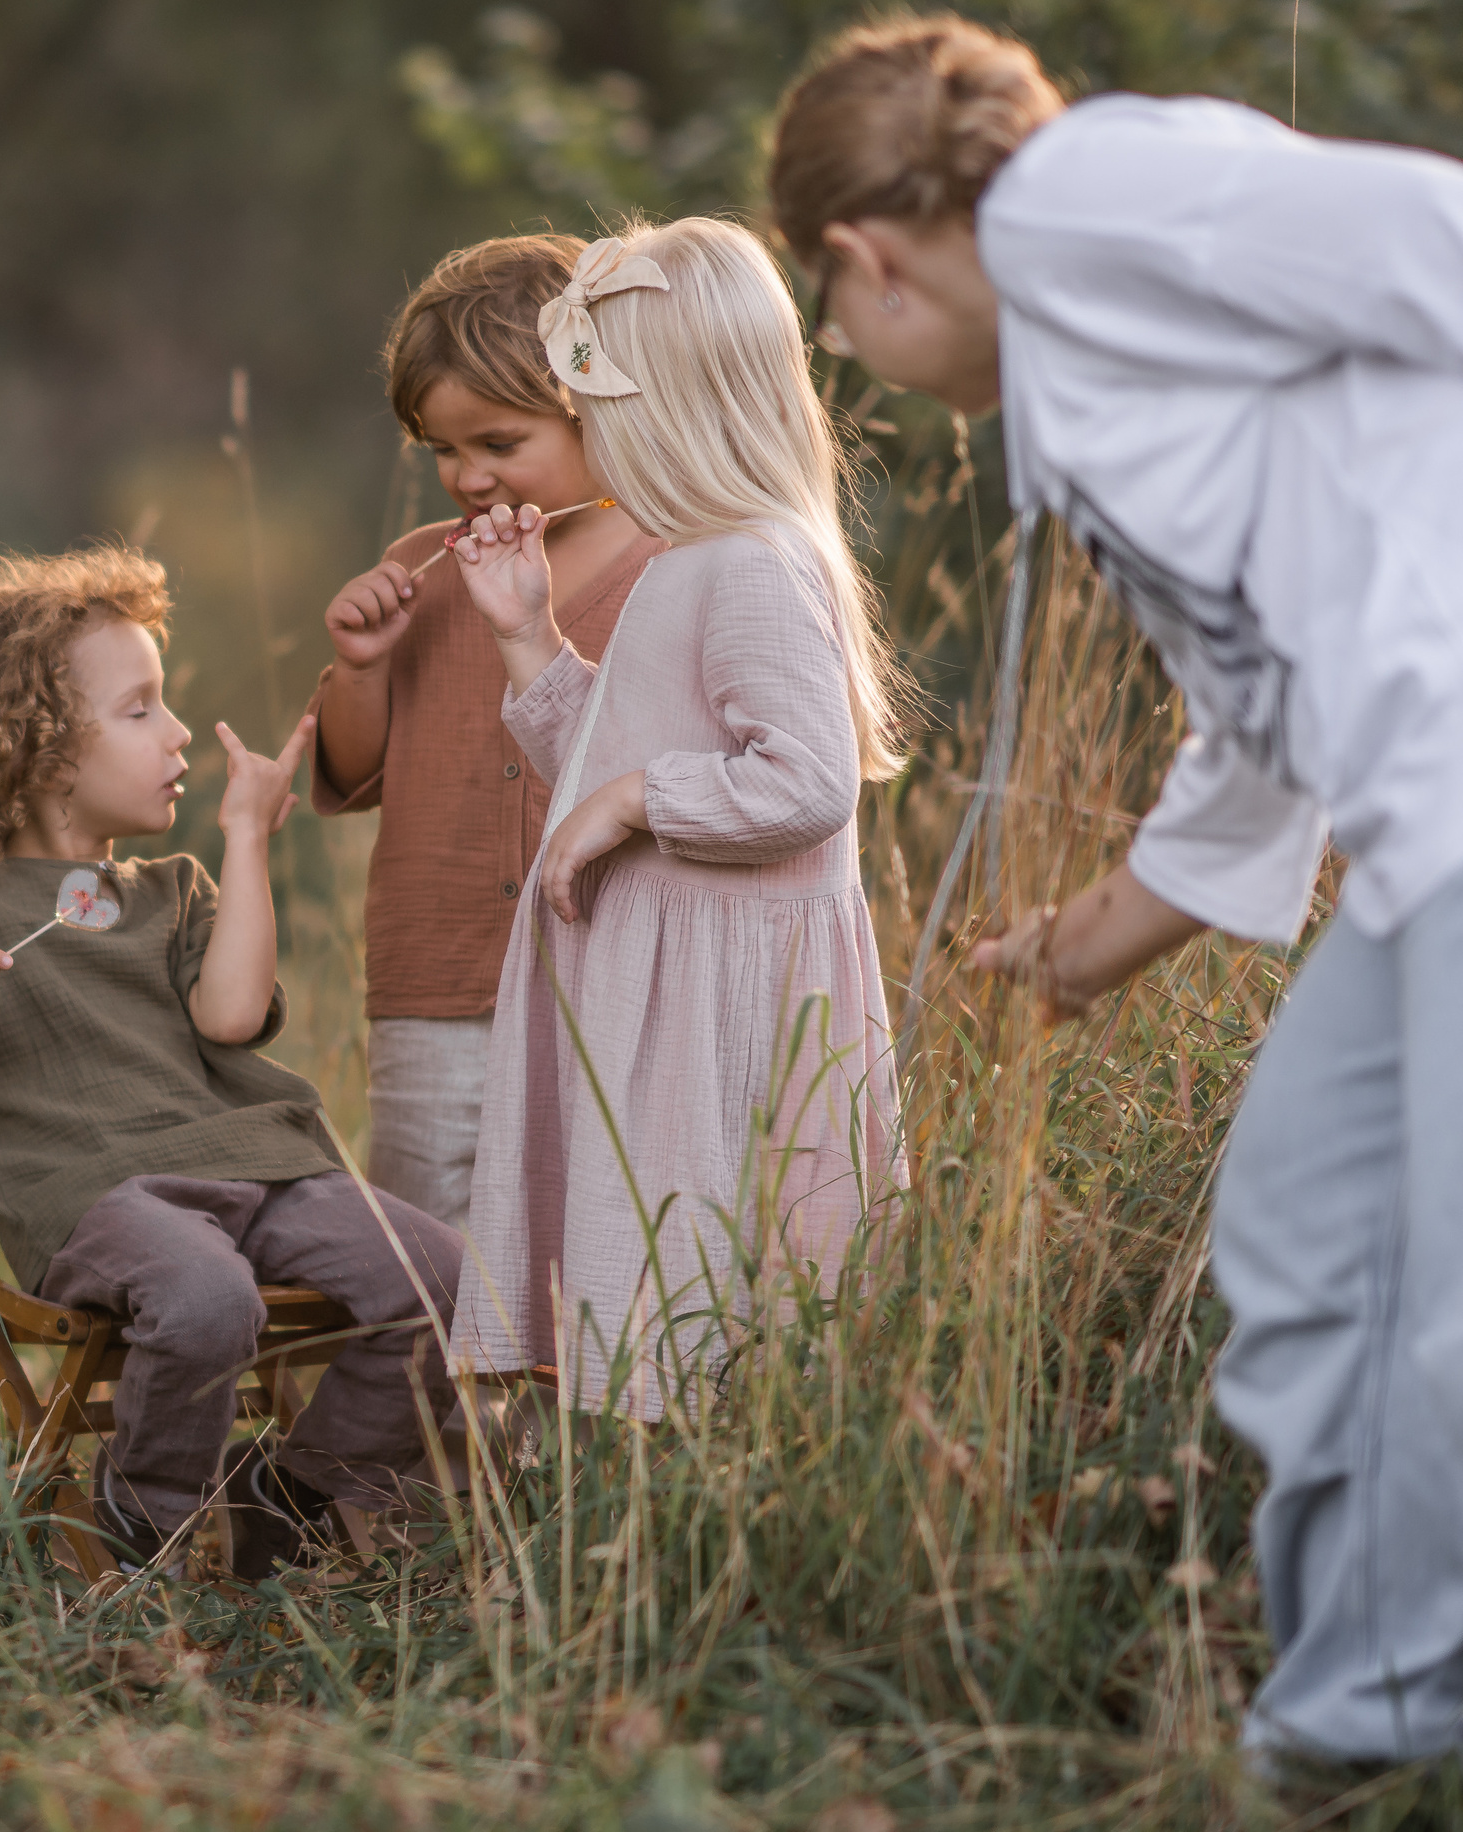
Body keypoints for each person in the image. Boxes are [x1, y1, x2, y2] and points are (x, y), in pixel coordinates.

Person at [768, 12, 1463, 1767]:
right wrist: (1084, 943)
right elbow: (1252, 719)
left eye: (835, 321)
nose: (854, 355)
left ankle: (1352, 1723)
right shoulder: (1079, 381)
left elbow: (1440, 246)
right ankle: (1353, 1726)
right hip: (1412, 828)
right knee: (1304, 1234)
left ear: (862, 256)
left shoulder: (1094, 198)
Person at [0, 547, 464, 1580]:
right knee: (206, 1294)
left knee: (436, 1274)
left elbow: (230, 1017)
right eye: (141, 710)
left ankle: (292, 1491)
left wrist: (244, 840)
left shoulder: (170, 889)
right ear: (37, 748)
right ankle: (149, 1521)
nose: (178, 732)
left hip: (257, 1168)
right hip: (100, 1196)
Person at [442, 219, 910, 1418]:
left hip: (708, 1011)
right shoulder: (695, 557)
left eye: (598, 404)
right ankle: (635, 1518)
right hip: (659, 989)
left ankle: (683, 1524)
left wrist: (638, 799)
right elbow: (623, 753)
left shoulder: (750, 561)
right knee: (649, 1271)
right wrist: (526, 638)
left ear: (678, 408)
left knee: (698, 1283)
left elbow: (804, 780)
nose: (586, 433)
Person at [307, 235, 664, 1230]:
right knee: (424, 1250)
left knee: (586, 1235)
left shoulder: (671, 565)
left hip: (605, 968)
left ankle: (562, 1394)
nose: (465, 476)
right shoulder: (424, 567)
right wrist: (362, 664)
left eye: (498, 445)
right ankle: (428, 1397)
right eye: (442, 450)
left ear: (598, 405)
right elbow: (350, 767)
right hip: (440, 978)